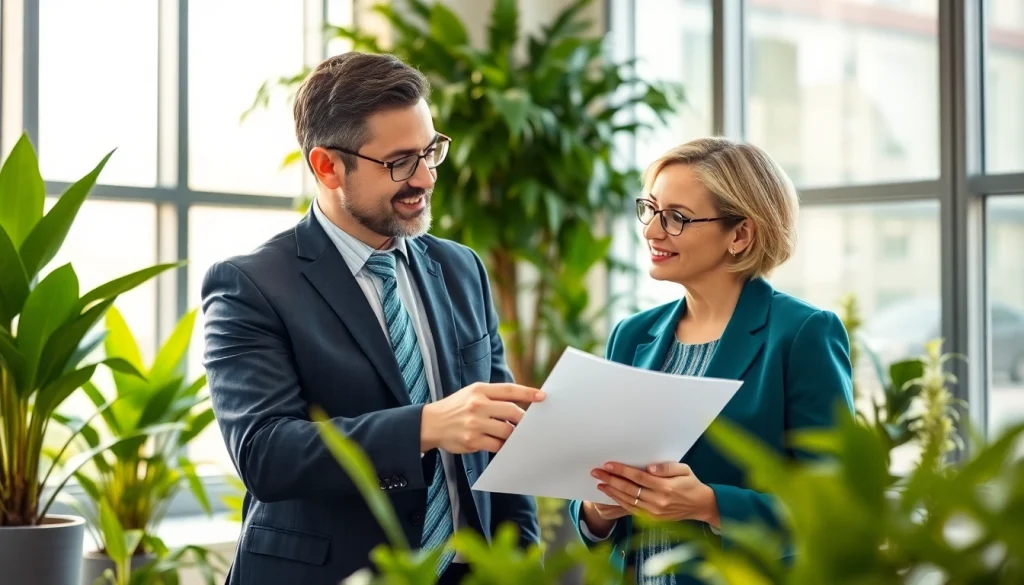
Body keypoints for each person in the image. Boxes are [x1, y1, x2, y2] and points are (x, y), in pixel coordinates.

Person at [201, 52, 543, 585]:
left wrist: (523, 563)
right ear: (327, 166)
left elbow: (502, 434)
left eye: (431, 151)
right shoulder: (251, 285)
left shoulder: (461, 268)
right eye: (400, 161)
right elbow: (266, 453)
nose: (425, 177)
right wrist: (427, 426)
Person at [568, 137, 854, 584]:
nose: (651, 231)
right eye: (651, 209)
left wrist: (708, 504)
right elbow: (603, 509)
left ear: (740, 234)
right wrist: (596, 510)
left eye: (676, 218)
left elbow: (834, 502)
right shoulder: (632, 335)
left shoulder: (802, 334)